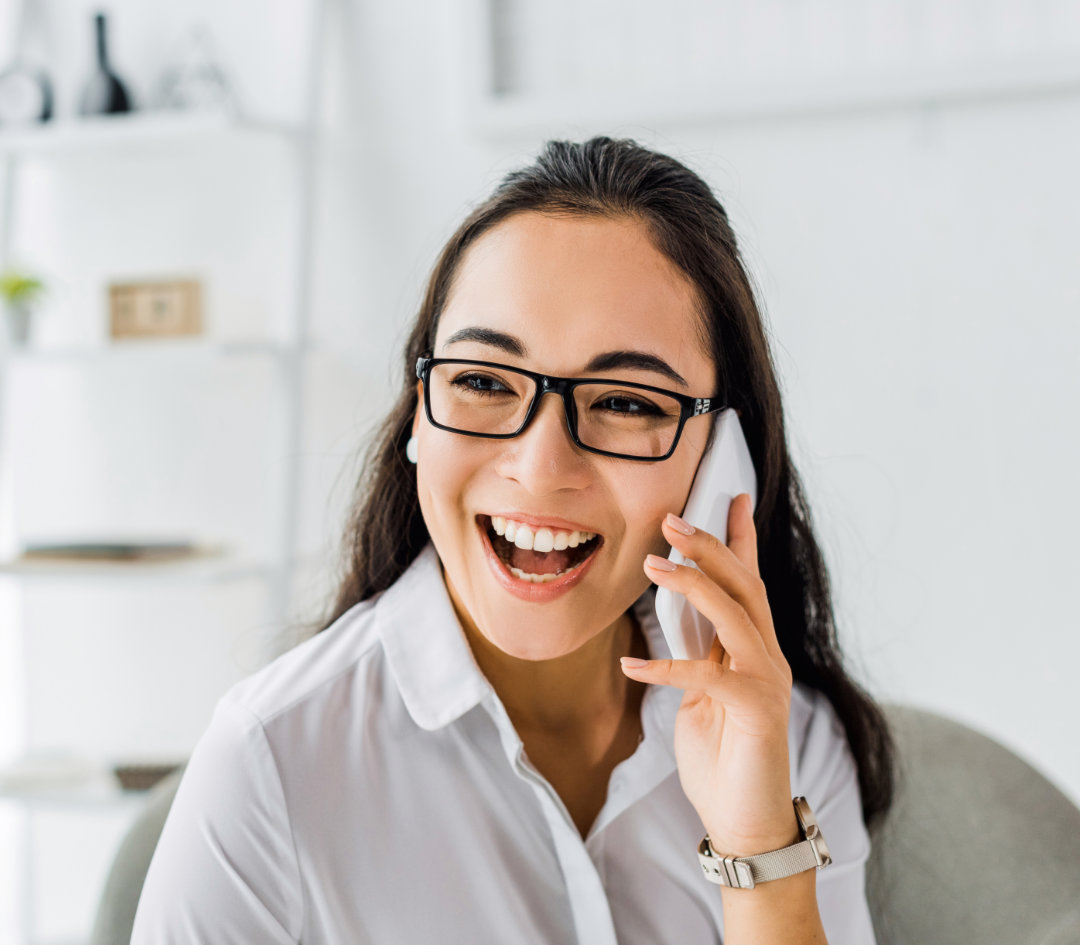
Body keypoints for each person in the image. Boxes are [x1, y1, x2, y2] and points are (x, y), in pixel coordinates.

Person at [131, 137, 894, 944]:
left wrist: (758, 849)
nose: (541, 467)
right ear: (420, 411)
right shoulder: (272, 760)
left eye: (627, 402)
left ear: (719, 460)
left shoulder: (785, 739)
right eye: (484, 381)